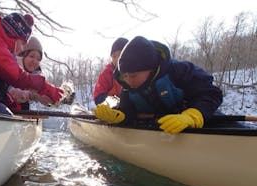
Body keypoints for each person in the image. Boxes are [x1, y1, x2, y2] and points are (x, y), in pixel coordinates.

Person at [94, 36, 223, 134]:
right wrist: (118, 116)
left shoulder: (179, 70)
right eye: (126, 76)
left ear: (150, 69)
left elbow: (212, 93)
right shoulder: (127, 87)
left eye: (133, 76)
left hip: (201, 122)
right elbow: (127, 112)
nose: (129, 82)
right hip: (160, 130)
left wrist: (193, 115)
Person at [6, 36, 55, 111]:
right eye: (32, 56)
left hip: (22, 117)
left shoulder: (37, 81)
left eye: (38, 59)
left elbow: (44, 97)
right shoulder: (11, 71)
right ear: (22, 56)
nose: (35, 61)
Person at [93, 37, 128, 105]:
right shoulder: (107, 73)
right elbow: (98, 98)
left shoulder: (137, 71)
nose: (117, 59)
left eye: (120, 55)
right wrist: (115, 99)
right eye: (114, 56)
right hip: (115, 111)